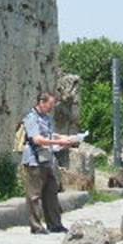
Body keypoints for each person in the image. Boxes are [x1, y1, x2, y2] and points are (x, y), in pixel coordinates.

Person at [21, 92, 80, 234]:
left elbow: (50, 135)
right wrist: (58, 141)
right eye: (50, 104)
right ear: (42, 102)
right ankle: (36, 226)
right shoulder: (31, 118)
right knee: (34, 195)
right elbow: (37, 139)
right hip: (34, 161)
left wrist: (66, 140)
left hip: (47, 159)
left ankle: (55, 224)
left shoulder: (46, 118)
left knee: (52, 192)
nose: (52, 108)